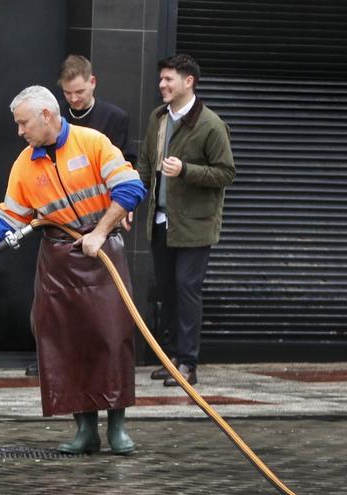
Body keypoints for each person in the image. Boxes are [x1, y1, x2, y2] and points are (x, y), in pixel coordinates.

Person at [0, 86, 146, 455]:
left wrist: (100, 232)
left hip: (102, 255)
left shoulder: (93, 143)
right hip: (57, 262)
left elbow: (132, 188)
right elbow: (5, 218)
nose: (20, 131)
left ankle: (117, 427)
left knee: (112, 337)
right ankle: (85, 428)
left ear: (47, 116)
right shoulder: (25, 163)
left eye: (23, 123)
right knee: (64, 342)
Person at [25, 54, 138, 377]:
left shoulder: (111, 120)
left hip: (99, 224)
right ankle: (53, 358)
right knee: (54, 306)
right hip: (60, 228)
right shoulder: (49, 123)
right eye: (68, 94)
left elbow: (127, 172)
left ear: (92, 83)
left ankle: (103, 371)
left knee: (105, 307)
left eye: (79, 92)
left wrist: (119, 214)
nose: (74, 99)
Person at [136, 54, 235, 387]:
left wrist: (187, 171)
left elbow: (226, 173)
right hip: (161, 221)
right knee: (166, 290)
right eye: (161, 79)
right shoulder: (157, 118)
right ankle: (172, 357)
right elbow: (147, 165)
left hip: (195, 225)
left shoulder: (210, 124)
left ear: (188, 81)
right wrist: (131, 202)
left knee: (187, 290)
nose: (161, 85)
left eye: (168, 79)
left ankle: (188, 364)